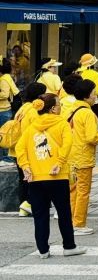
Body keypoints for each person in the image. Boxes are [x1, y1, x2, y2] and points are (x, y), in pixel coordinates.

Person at [16, 93, 86, 259]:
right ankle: (69, 246)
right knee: (64, 213)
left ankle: (43, 250)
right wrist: (59, 162)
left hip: (36, 177)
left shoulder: (31, 127)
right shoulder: (62, 123)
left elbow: (20, 148)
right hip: (57, 176)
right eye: (59, 104)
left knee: (40, 215)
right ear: (53, 108)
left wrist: (26, 166)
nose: (60, 107)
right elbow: (67, 144)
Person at [68, 79, 98, 236]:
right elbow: (91, 137)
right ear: (86, 95)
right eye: (93, 93)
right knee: (83, 192)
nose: (95, 96)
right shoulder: (88, 113)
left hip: (71, 157)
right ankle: (79, 224)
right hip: (83, 158)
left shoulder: (71, 110)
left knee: (73, 191)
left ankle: (70, 221)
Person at [13, 82, 47, 217]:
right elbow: (37, 131)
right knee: (32, 179)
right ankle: (29, 204)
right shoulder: (33, 111)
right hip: (28, 150)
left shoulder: (23, 108)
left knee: (23, 179)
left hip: (17, 150)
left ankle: (23, 208)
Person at [0, 56, 20, 161]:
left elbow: (4, 94)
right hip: (5, 110)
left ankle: (5, 158)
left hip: (3, 110)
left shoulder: (4, 79)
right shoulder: (7, 77)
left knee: (4, 135)